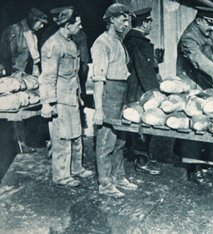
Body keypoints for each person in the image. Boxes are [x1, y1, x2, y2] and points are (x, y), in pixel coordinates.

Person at [39, 7, 94, 187]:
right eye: (78, 23)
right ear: (67, 25)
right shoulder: (53, 45)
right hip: (60, 99)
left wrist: (79, 96)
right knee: (62, 138)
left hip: (72, 97)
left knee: (76, 135)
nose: (81, 26)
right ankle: (62, 175)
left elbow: (75, 74)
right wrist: (47, 103)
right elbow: (48, 77)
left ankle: (76, 168)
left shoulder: (71, 43)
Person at [174, 6, 213, 186]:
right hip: (193, 87)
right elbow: (198, 59)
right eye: (210, 23)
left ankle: (208, 164)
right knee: (195, 126)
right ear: (199, 21)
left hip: (210, 85)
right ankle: (194, 169)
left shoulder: (211, 32)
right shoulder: (189, 37)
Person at [91, 3, 138, 198]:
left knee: (120, 139)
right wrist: (99, 109)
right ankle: (105, 183)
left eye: (128, 19)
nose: (126, 23)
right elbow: (99, 79)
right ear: (111, 19)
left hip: (120, 91)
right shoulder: (102, 43)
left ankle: (118, 176)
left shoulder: (118, 41)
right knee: (106, 140)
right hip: (109, 91)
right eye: (123, 19)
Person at [0, 8, 48, 153]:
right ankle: (20, 144)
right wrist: (11, 75)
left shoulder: (32, 35)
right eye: (41, 23)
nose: (42, 27)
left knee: (31, 105)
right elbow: (5, 55)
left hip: (27, 78)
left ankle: (27, 141)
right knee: (16, 110)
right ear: (34, 20)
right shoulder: (15, 31)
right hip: (14, 79)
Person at [123, 7, 161, 175]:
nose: (151, 24)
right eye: (150, 21)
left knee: (136, 122)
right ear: (145, 23)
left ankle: (138, 154)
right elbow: (144, 70)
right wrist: (155, 93)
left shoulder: (130, 40)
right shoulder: (139, 42)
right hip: (140, 89)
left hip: (132, 87)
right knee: (144, 123)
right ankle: (142, 160)